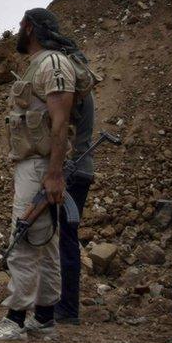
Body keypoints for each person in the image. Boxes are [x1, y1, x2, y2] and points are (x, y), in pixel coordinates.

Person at [0, 8, 77, 343]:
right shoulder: (40, 65)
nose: (17, 31)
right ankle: (45, 318)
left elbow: (60, 122)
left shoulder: (52, 65)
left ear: (30, 29)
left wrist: (53, 174)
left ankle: (15, 319)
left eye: (21, 26)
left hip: (40, 167)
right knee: (45, 242)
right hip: (35, 164)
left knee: (23, 238)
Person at [57, 76, 95, 324]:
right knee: (66, 237)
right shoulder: (83, 88)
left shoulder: (71, 88)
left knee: (66, 238)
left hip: (73, 170)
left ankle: (68, 307)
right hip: (80, 169)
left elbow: (59, 130)